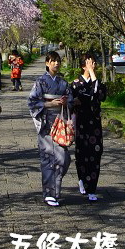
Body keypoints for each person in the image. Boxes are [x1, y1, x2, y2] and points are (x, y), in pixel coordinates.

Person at [27, 51, 73, 207]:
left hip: (60, 122)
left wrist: (66, 103)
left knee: (64, 159)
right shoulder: (40, 82)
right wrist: (49, 104)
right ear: (47, 63)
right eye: (53, 61)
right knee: (48, 158)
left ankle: (56, 188)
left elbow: (72, 101)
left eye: (58, 61)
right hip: (46, 123)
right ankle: (49, 194)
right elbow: (32, 102)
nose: (56, 64)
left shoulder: (63, 83)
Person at [70, 52, 107, 202]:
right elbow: (70, 102)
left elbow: (100, 95)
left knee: (96, 154)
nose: (93, 65)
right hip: (80, 124)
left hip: (95, 125)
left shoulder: (97, 82)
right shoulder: (74, 84)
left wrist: (92, 74)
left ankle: (92, 188)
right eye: (90, 63)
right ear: (82, 65)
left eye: (94, 63)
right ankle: (82, 180)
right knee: (82, 155)